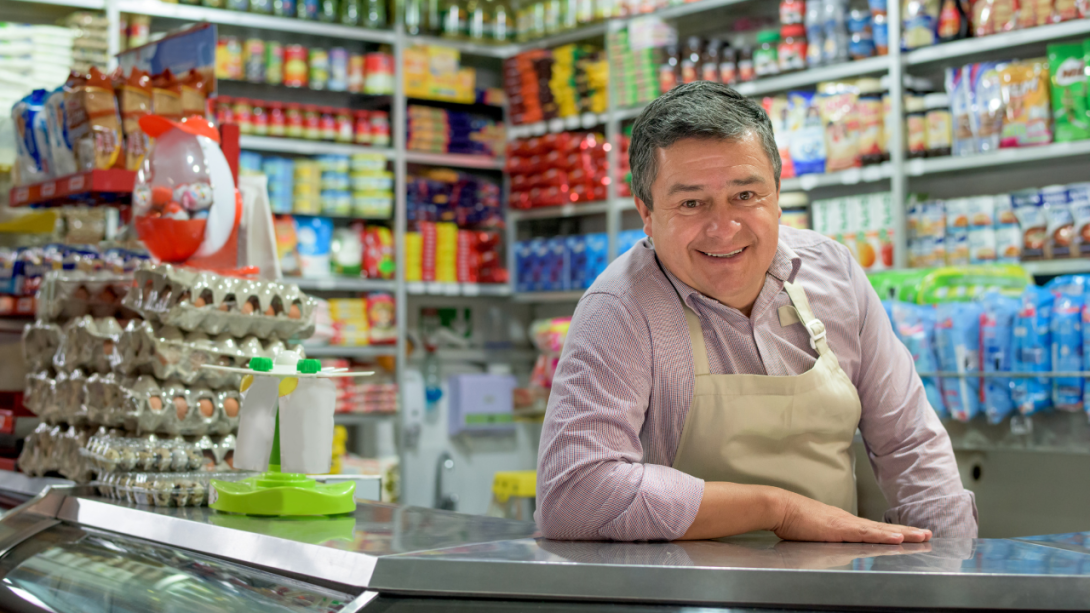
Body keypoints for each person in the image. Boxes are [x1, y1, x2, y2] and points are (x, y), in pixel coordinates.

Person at [536, 81, 977, 543]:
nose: (723, 228)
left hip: (832, 589)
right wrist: (778, 510)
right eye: (691, 203)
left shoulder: (835, 274)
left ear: (778, 193)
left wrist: (952, 568)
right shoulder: (620, 310)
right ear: (646, 213)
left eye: (746, 196)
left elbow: (909, 444)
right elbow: (574, 493)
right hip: (678, 596)